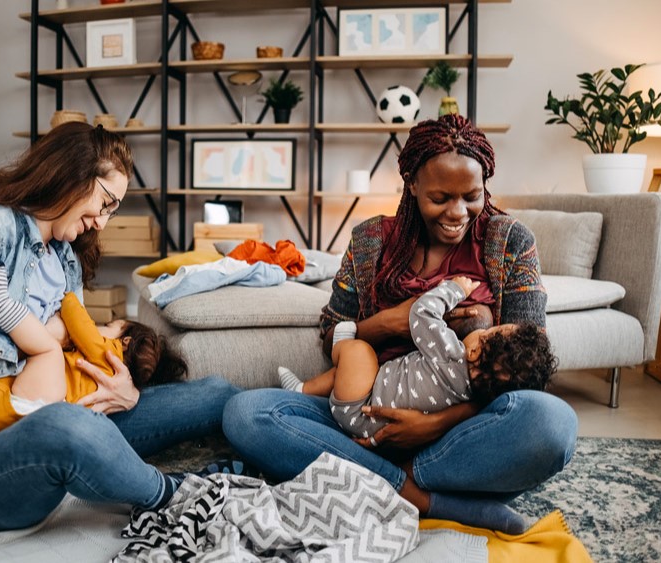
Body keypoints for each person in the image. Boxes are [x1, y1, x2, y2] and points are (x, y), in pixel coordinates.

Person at [224, 114, 578, 535]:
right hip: (364, 412)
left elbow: (527, 361)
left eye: (472, 196)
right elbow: (333, 333)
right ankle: (416, 494)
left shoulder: (510, 241)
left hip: (461, 430)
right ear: (411, 184)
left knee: (551, 424)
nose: (458, 212)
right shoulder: (370, 240)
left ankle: (381, 478)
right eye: (440, 197)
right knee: (247, 414)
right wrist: (388, 324)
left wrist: (434, 425)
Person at [0, 122, 240, 531]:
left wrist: (125, 392)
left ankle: (272, 429)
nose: (103, 223)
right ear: (72, 174)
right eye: (105, 202)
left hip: (56, 408)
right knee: (66, 424)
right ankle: (171, 493)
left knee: (215, 393)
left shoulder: (64, 257)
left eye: (112, 210)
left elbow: (76, 353)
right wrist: (45, 344)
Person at [0, 279, 187, 491]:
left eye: (111, 325)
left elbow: (79, 323)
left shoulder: (108, 356)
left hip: (28, 407)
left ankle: (0, 303)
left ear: (124, 340)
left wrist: (68, 295)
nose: (102, 327)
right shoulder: (111, 376)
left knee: (47, 349)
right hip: (11, 417)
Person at [278, 276, 557, 443]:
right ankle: (304, 390)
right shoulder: (471, 395)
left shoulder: (451, 355)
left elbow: (421, 312)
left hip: (361, 408)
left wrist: (455, 289)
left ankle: (337, 351)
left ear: (474, 352)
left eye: (487, 332)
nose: (484, 329)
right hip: (372, 425)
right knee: (358, 371)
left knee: (360, 352)